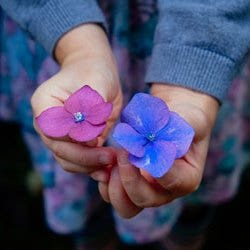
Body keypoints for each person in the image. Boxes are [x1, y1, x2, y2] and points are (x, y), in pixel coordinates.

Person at [0, 0, 250, 249]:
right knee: (89, 181)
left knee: (189, 191)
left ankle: (186, 236)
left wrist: (192, 76)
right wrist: (79, 49)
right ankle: (96, 235)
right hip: (64, 38)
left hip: (200, 47)